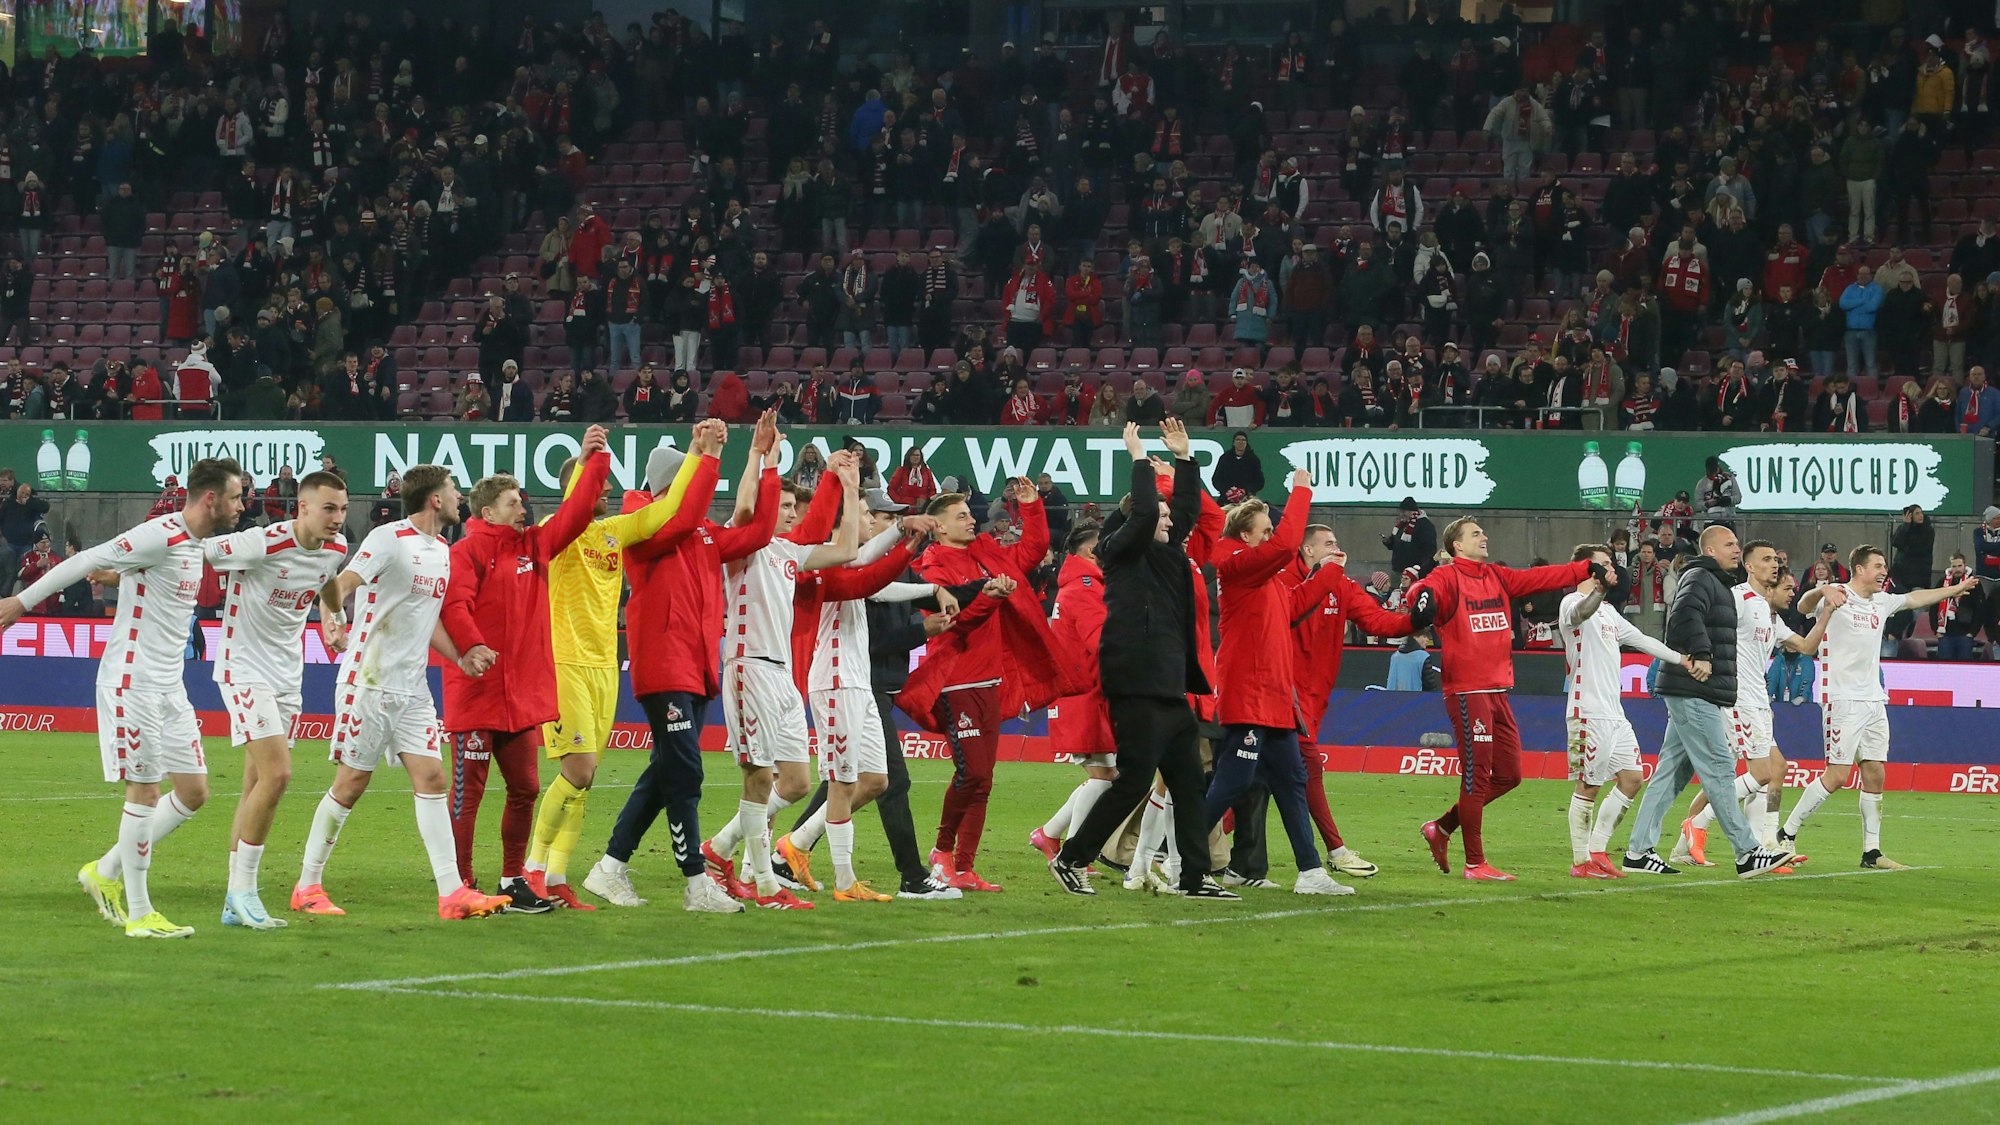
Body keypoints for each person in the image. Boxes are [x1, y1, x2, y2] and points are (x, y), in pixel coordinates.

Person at [0, 459, 246, 938]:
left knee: (194, 792)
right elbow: (87, 559)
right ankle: (139, 914)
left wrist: (122, 580)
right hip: (132, 682)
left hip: (169, 686)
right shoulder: (162, 534)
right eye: (236, 497)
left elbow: (136, 576)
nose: (242, 505)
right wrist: (20, 603)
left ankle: (103, 871)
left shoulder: (194, 545)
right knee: (145, 789)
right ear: (211, 498)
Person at [290, 464, 512, 921]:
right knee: (351, 784)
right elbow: (344, 586)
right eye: (452, 491)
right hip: (369, 680)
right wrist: (333, 613)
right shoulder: (388, 539)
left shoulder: (442, 550)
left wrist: (461, 656)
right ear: (434, 499)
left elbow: (425, 621)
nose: (457, 498)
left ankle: (452, 894)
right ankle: (307, 885)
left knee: (432, 779)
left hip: (412, 687)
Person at [582, 415, 783, 911]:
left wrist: (766, 461)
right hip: (665, 662)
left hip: (694, 666)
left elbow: (758, 531)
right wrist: (709, 456)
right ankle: (696, 882)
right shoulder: (641, 517)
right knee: (686, 772)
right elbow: (681, 513)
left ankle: (609, 868)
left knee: (665, 771)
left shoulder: (702, 534)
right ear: (675, 484)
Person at [1050, 421, 1238, 899]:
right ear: (1141, 518)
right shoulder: (1122, 551)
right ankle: (1072, 857)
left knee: (1190, 785)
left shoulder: (1166, 553)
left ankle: (1193, 878)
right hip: (1135, 682)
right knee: (1133, 781)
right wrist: (1136, 459)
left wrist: (1185, 458)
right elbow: (1139, 517)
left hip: (1169, 686)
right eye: (1163, 516)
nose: (1172, 523)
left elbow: (1190, 511)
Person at [530, 425, 715, 911]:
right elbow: (576, 506)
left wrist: (697, 455)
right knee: (578, 769)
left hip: (604, 666)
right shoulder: (559, 532)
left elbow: (670, 510)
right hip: (565, 660)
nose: (608, 493)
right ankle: (531, 869)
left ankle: (556, 875)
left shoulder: (613, 534)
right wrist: (591, 459)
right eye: (600, 486)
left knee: (586, 778)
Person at [437, 431, 613, 914]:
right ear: (488, 511)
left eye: (523, 501)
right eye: (514, 503)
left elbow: (577, 513)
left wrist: (592, 460)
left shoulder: (533, 547)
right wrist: (472, 647)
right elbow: (455, 604)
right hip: (476, 691)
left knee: (527, 788)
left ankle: (514, 879)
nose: (523, 509)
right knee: (468, 795)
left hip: (520, 697)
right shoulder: (467, 552)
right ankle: (463, 883)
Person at [769, 489, 968, 901]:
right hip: (838, 679)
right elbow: (870, 579)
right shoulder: (825, 556)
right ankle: (842, 880)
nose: (867, 518)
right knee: (840, 783)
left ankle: (795, 845)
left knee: (876, 780)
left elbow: (878, 585)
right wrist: (902, 533)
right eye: (862, 512)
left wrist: (928, 587)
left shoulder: (846, 558)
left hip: (859, 681)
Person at [699, 447, 858, 908]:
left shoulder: (789, 552)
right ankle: (765, 883)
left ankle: (719, 848)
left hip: (784, 674)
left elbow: (846, 550)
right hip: (749, 667)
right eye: (785, 505)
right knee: (757, 777)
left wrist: (846, 487)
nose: (791, 513)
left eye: (794, 507)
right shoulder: (744, 544)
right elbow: (747, 505)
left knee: (796, 782)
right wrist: (757, 454)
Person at [902, 478, 1072, 892]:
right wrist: (990, 597)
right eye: (961, 516)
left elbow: (1030, 552)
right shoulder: (932, 567)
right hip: (956, 681)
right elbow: (959, 618)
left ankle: (964, 867)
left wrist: (1031, 507)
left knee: (984, 778)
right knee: (972, 771)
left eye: (970, 513)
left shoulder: (984, 553)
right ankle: (941, 853)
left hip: (991, 678)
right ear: (939, 527)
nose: (971, 519)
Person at [203, 470, 352, 929]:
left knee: (255, 787)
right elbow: (195, 550)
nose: (337, 518)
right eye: (329, 508)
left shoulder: (337, 548)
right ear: (302, 507)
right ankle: (246, 890)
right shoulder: (260, 543)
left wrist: (335, 615)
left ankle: (234, 902)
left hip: (288, 675)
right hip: (243, 668)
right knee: (278, 773)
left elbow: (327, 577)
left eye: (343, 510)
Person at [1406, 518, 1592, 879]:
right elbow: (1421, 593)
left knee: (1510, 775)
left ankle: (1442, 828)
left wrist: (1583, 568)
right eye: (1475, 533)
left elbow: (1539, 578)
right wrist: (1417, 596)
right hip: (1468, 689)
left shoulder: (1495, 575)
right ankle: (1475, 863)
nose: (1484, 536)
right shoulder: (1448, 577)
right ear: (1456, 545)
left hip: (1497, 689)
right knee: (1477, 776)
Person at [1202, 470, 1358, 895]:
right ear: (1246, 536)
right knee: (1234, 780)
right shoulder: (1236, 564)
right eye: (1265, 530)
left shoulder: (1265, 579)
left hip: (1273, 695)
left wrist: (1327, 572)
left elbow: (1296, 604)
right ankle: (1183, 856)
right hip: (1249, 691)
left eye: (1272, 529)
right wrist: (1301, 490)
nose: (1272, 538)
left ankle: (1310, 872)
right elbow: (1288, 544)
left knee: (1291, 780)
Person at [1617, 526, 1797, 878]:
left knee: (1671, 774)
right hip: (1694, 688)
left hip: (1697, 689)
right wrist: (1700, 653)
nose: (1736, 548)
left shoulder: (1718, 583)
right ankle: (1747, 852)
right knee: (1719, 768)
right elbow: (1684, 614)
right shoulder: (1700, 576)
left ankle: (1638, 852)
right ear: (1711, 549)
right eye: (1729, 544)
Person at [1782, 547, 1976, 868]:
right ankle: (1786, 833)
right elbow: (1802, 606)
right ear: (1858, 569)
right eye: (1877, 566)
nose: (1883, 571)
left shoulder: (1882, 601)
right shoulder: (1837, 594)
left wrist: (1954, 589)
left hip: (1874, 699)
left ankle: (1872, 852)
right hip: (1842, 698)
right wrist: (1821, 588)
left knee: (1875, 772)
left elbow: (1916, 598)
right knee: (1838, 776)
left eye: (1884, 566)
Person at [1669, 547, 1835, 868]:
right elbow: (1700, 622)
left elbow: (1806, 646)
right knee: (1764, 772)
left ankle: (1692, 847)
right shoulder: (1736, 598)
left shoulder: (1768, 614)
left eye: (1775, 561)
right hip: (1737, 697)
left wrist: (1826, 613)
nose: (1773, 565)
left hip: (1757, 701)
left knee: (1728, 778)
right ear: (1748, 566)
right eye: (1767, 560)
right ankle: (1704, 826)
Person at [1277, 524, 1413, 879]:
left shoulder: (1341, 584)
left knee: (1251, 780)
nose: (1338, 549)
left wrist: (1417, 620)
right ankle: (1334, 851)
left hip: (1313, 696)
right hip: (1284, 696)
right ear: (1307, 551)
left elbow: (1376, 619)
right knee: (1307, 770)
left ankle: (1183, 848)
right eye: (1329, 544)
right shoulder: (1284, 581)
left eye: (1338, 542)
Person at [1558, 543, 1699, 878]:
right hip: (1587, 709)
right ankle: (1581, 863)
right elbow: (1579, 615)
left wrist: (1682, 660)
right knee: (1588, 786)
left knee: (1633, 778)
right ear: (1582, 568)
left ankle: (1598, 850)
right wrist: (1599, 592)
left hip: (1614, 713)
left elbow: (1641, 639)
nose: (1610, 568)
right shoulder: (1572, 602)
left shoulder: (1608, 611)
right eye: (1602, 564)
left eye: (1611, 563)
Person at [1031, 524, 1117, 863]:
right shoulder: (1084, 587)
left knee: (1107, 776)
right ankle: (1073, 852)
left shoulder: (1080, 584)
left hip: (1083, 692)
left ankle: (1050, 835)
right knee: (1105, 777)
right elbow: (1099, 642)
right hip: (1084, 693)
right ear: (1089, 551)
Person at [1383, 497, 1437, 576]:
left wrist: (1422, 570)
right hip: (1398, 570)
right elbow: (1396, 543)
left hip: (1415, 573)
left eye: (1404, 511)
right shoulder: (1402, 525)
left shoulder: (1425, 525)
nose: (1401, 514)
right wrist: (1388, 542)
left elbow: (1429, 551)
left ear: (1411, 511)